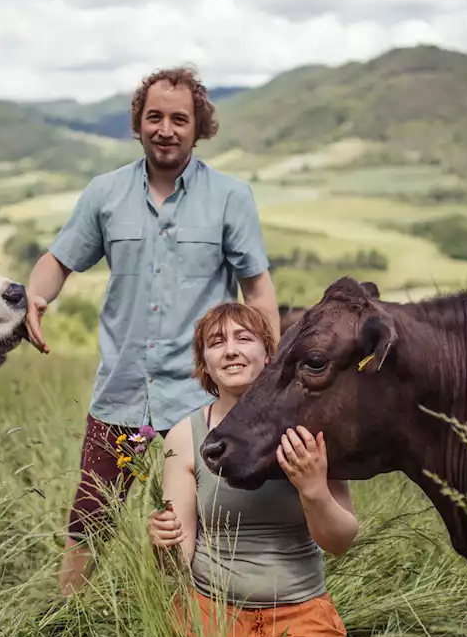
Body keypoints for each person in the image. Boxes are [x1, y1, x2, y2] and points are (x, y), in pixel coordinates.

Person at [23, 66, 281, 596]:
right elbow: (58, 260)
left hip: (197, 399)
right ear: (139, 124)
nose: (166, 128)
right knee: (90, 517)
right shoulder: (105, 194)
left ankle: (192, 617)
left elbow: (256, 289)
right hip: (120, 394)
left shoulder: (230, 197)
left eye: (179, 118)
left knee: (203, 521)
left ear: (198, 126)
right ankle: (64, 618)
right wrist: (36, 295)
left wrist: (268, 372)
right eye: (155, 117)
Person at [148, 302, 358, 637]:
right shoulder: (186, 436)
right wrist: (163, 544)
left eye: (243, 339)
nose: (230, 351)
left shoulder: (311, 429)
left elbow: (340, 542)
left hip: (302, 615)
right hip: (210, 615)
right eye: (216, 343)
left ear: (270, 354)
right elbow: (177, 564)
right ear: (205, 364)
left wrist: (313, 489)